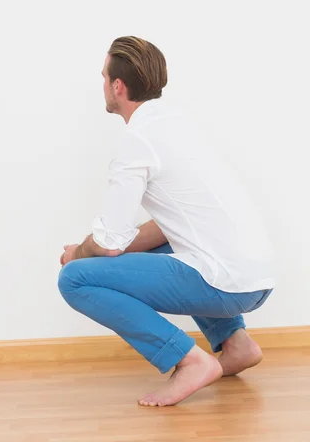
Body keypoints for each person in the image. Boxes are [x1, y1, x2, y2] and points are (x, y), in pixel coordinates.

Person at [58, 36, 275, 407]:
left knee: (74, 279)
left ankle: (189, 362)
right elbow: (165, 228)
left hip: (227, 285)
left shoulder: (137, 141)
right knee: (167, 241)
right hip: (257, 278)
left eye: (103, 77)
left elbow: (110, 243)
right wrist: (92, 247)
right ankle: (236, 344)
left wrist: (78, 253)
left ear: (117, 86)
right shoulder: (179, 125)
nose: (104, 86)